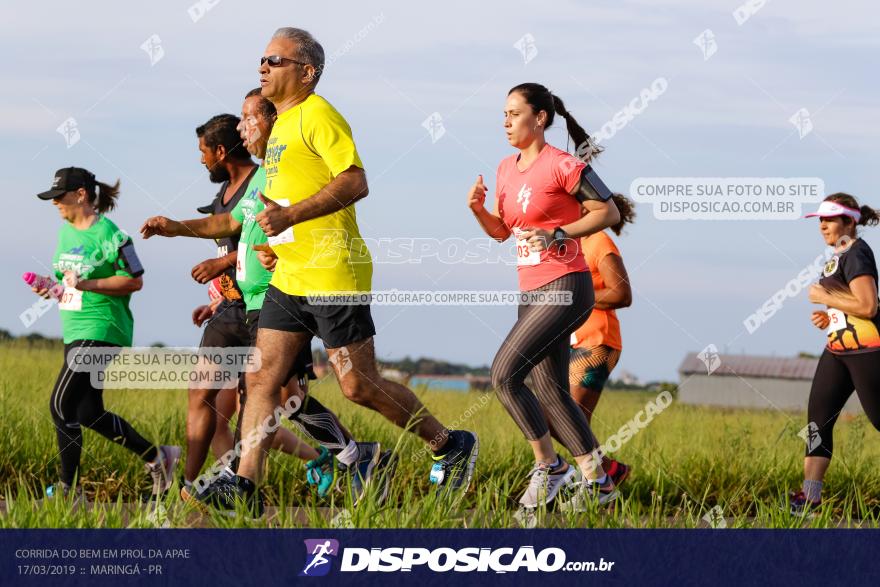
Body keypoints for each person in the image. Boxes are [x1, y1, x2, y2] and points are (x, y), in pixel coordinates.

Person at [199, 27, 478, 515]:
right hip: (290, 276)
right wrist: (274, 241)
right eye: (262, 59)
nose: (262, 66)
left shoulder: (319, 114)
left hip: (333, 272)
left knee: (357, 385)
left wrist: (290, 217)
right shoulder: (280, 126)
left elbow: (355, 180)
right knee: (262, 380)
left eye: (275, 60)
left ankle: (449, 443)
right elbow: (279, 200)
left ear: (306, 72)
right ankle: (245, 487)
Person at [141, 89, 391, 506]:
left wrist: (276, 253)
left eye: (248, 118)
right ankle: (233, 486)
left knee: (288, 397)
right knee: (258, 396)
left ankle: (347, 456)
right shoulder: (257, 182)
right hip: (248, 302)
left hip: (282, 295)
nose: (244, 127)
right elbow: (230, 223)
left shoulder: (277, 174)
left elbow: (305, 219)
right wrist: (177, 228)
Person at [468, 83, 622, 510]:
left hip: (567, 285)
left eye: (514, 113)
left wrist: (558, 232)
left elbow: (608, 211)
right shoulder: (504, 168)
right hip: (531, 290)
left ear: (540, 118)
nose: (506, 121)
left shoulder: (563, 165)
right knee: (550, 391)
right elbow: (503, 232)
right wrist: (480, 210)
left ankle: (550, 467)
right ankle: (599, 483)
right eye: (503, 114)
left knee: (503, 375)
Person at [34, 167, 179, 501]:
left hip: (103, 328)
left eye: (60, 196)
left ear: (81, 194)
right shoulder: (64, 233)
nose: (55, 203)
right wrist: (51, 289)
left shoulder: (113, 235)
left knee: (60, 405)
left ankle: (69, 491)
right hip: (74, 327)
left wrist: (86, 283)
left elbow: (135, 280)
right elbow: (66, 281)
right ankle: (158, 459)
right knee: (87, 413)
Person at [789, 193, 880, 515]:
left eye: (829, 220)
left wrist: (823, 294)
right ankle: (810, 497)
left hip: (867, 349)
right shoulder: (838, 255)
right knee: (817, 422)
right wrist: (829, 316)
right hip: (837, 349)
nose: (823, 226)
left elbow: (869, 306)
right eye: (820, 220)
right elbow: (849, 304)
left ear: (850, 222)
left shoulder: (857, 253)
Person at [568, 193, 635, 487]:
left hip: (598, 341)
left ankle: (601, 480)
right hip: (576, 341)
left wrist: (577, 297)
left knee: (570, 418)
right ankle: (606, 472)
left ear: (585, 207)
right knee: (567, 418)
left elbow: (622, 294)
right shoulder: (574, 244)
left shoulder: (599, 241)